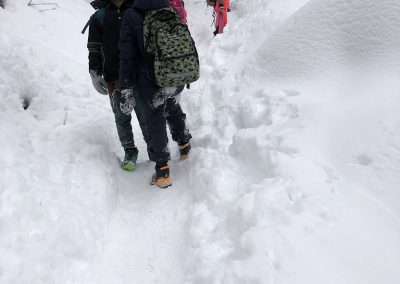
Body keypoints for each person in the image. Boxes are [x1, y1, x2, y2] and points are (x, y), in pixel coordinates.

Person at [87, 0, 191, 174]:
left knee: (146, 116)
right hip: (114, 75)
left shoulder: (136, 9)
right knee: (121, 116)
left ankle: (153, 149)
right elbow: (94, 48)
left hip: (141, 75)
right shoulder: (100, 16)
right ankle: (130, 150)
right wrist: (94, 71)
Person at [119, 0, 192, 188]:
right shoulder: (168, 7)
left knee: (155, 120)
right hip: (174, 73)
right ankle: (184, 144)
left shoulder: (131, 15)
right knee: (173, 106)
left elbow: (127, 55)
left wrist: (126, 85)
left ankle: (162, 171)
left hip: (149, 79)